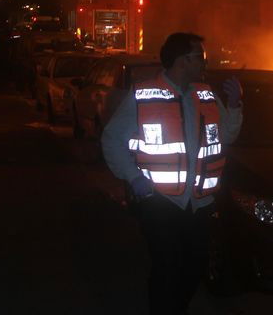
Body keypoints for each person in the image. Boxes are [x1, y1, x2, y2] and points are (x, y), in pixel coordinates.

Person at [101, 32, 243, 314]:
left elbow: (226, 135)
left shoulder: (206, 95)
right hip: (160, 203)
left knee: (194, 266)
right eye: (199, 56)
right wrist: (134, 178)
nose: (205, 62)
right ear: (181, 60)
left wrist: (236, 106)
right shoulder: (143, 95)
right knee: (167, 267)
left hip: (198, 204)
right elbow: (112, 139)